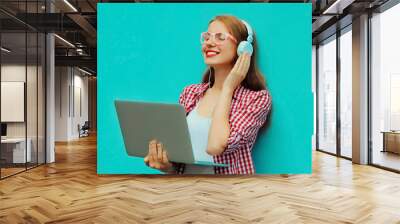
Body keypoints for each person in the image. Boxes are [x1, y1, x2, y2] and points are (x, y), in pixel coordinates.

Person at [144, 15, 272, 174]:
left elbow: (215, 146)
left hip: (227, 194)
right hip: (186, 192)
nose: (209, 43)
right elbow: (182, 161)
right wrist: (167, 166)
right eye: (207, 37)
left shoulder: (256, 99)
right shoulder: (190, 93)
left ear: (243, 48)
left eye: (220, 37)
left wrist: (228, 88)